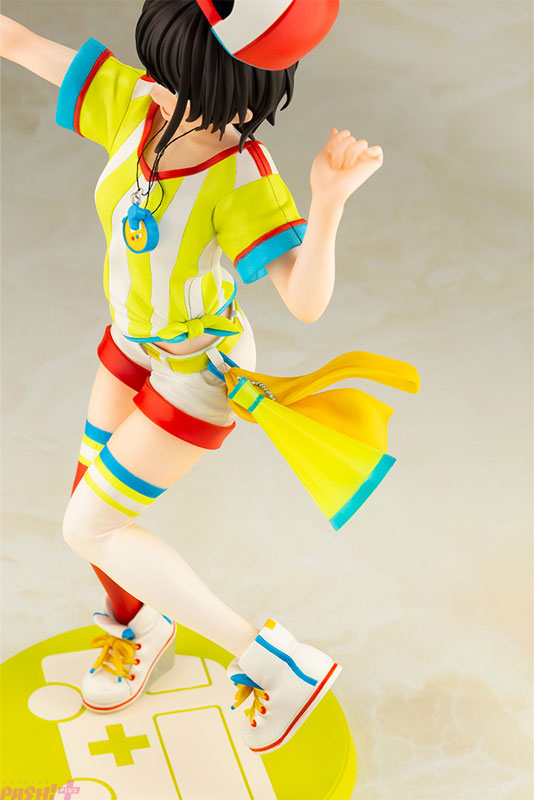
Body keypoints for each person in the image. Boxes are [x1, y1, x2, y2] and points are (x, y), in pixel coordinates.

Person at [0, 0, 385, 753]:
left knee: (89, 525)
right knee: (88, 500)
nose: (162, 82)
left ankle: (273, 662)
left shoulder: (241, 174)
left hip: (199, 372)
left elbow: (305, 302)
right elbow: (21, 42)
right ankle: (140, 627)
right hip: (132, 340)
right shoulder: (137, 107)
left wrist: (329, 203)